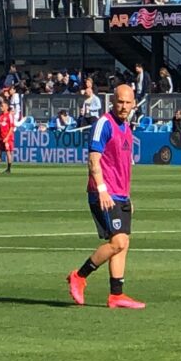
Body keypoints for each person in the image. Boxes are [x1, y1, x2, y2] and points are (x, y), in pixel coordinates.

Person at [64, 83, 147, 309]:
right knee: (118, 241)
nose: (123, 106)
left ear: (133, 104)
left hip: (120, 195)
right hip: (104, 193)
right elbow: (93, 159)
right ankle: (79, 276)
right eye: (120, 101)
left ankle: (116, 295)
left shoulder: (127, 128)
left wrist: (127, 197)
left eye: (128, 102)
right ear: (112, 102)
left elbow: (122, 168)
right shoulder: (104, 124)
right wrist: (102, 190)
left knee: (123, 243)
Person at [0, 93, 18, 174]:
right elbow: (0, 127)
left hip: (7, 137)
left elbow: (11, 127)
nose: (1, 107)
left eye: (2, 106)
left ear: (6, 107)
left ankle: (9, 169)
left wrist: (7, 137)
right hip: (0, 136)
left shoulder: (9, 116)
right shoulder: (0, 116)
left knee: (8, 152)